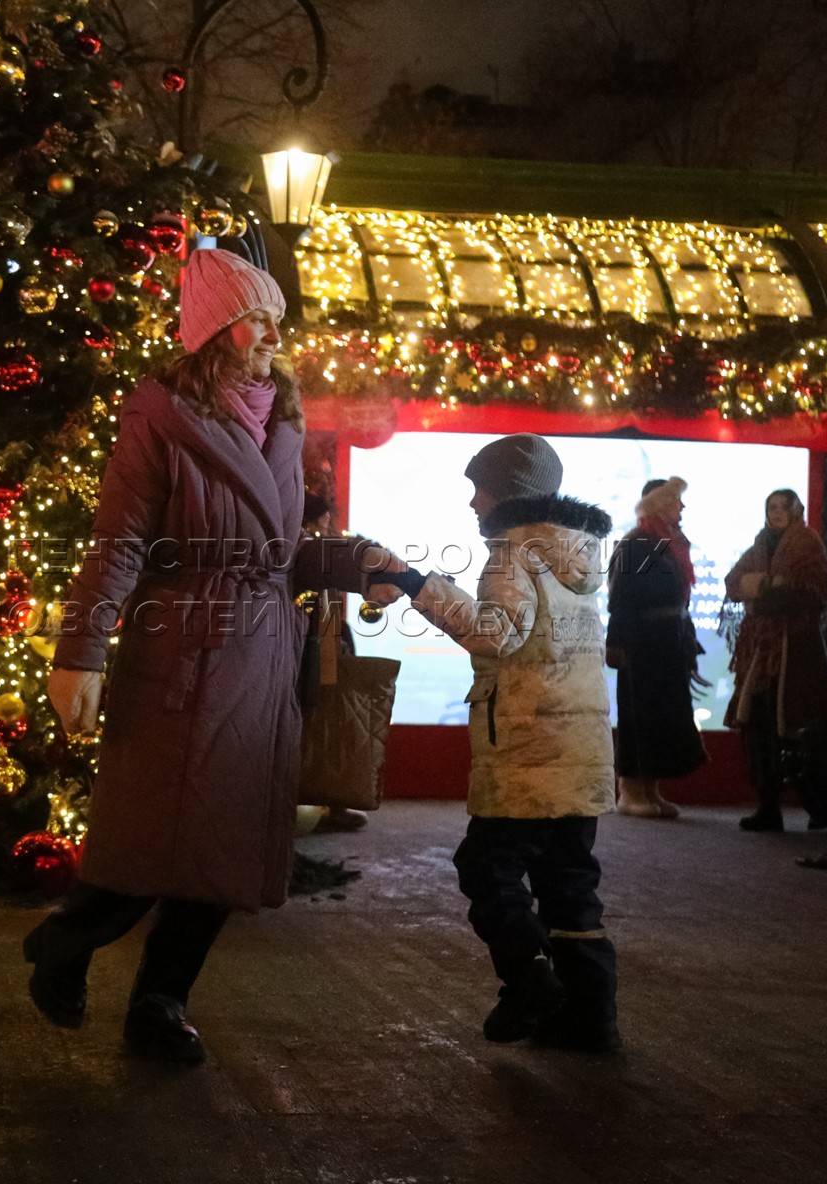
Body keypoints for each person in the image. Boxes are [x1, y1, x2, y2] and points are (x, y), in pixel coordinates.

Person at [31, 248, 405, 1064]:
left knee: (225, 849)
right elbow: (118, 543)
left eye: (276, 317)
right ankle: (67, 942)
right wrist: (81, 652)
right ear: (213, 333)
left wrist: (358, 566)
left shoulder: (281, 421)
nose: (274, 332)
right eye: (255, 319)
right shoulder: (160, 417)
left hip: (264, 655)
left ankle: (160, 1004)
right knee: (157, 838)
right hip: (184, 651)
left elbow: (279, 553)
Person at [369, 433, 622, 1053]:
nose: (473, 503)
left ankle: (529, 981)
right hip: (579, 751)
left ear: (507, 491)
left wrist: (410, 579)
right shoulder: (576, 554)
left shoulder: (515, 553)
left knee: (486, 866)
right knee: (570, 888)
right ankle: (591, 1021)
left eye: (478, 487)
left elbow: (493, 635)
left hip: (528, 753)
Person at [723, 488, 827, 832]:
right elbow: (733, 583)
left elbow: (816, 589)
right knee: (760, 726)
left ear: (795, 510)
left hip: (798, 651)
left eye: (782, 507)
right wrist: (765, 587)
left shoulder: (807, 543)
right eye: (771, 507)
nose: (776, 512)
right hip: (762, 652)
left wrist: (767, 593)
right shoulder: (759, 544)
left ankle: (818, 806)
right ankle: (768, 806)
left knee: (803, 726)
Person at [606, 476, 707, 819]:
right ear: (659, 504)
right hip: (642, 643)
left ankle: (651, 789)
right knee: (639, 716)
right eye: (675, 500)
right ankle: (630, 791)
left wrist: (688, 643)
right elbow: (620, 599)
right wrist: (616, 643)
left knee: (662, 718)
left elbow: (681, 601)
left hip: (668, 641)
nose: (681, 507)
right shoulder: (636, 544)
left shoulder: (670, 543)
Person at [300, 491, 367, 834]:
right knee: (311, 725)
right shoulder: (304, 550)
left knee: (332, 723)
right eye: (322, 521)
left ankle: (333, 803)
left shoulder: (326, 548)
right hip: (305, 649)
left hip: (327, 641)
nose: (327, 526)